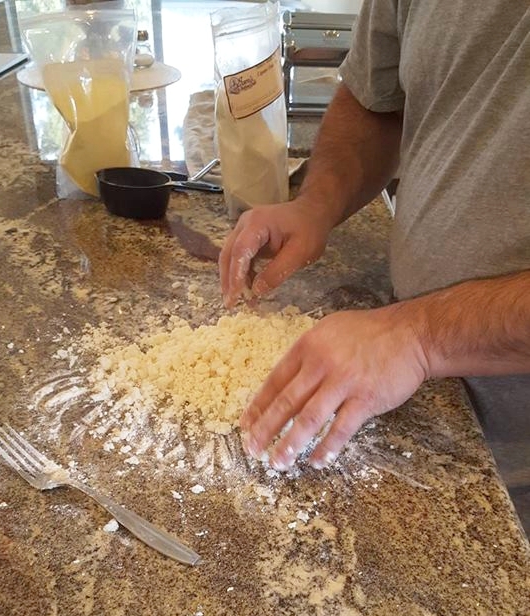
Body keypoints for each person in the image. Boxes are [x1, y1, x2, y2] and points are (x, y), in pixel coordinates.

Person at [218, 0, 530, 498]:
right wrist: (317, 204)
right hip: (408, 381)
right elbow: (377, 99)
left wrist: (421, 336)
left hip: (514, 449)